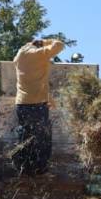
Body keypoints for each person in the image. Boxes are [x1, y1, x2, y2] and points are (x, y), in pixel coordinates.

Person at [12, 38, 65, 175]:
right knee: (43, 137)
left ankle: (23, 167)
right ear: (38, 46)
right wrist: (46, 41)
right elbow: (59, 45)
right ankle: (40, 169)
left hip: (21, 104)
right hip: (38, 105)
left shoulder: (19, 55)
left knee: (25, 136)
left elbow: (26, 48)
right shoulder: (38, 54)